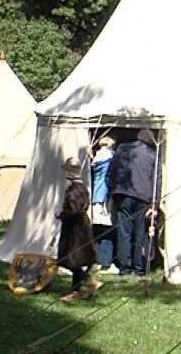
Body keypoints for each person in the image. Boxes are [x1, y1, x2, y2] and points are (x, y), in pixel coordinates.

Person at [108, 129, 161, 277]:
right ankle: (139, 268)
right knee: (140, 234)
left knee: (124, 232)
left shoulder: (122, 149)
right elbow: (156, 180)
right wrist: (154, 203)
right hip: (143, 196)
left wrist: (113, 189)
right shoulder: (152, 155)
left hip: (123, 193)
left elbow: (111, 172)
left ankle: (124, 268)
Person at [56, 157, 99, 301]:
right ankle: (84, 285)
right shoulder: (83, 188)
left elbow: (75, 211)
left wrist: (61, 214)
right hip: (81, 226)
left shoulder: (73, 190)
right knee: (75, 260)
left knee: (71, 259)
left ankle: (82, 286)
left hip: (75, 229)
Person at [89, 136, 117, 274]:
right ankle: (107, 261)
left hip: (96, 194)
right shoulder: (110, 159)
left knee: (97, 229)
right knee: (107, 229)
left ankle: (98, 259)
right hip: (106, 195)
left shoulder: (96, 158)